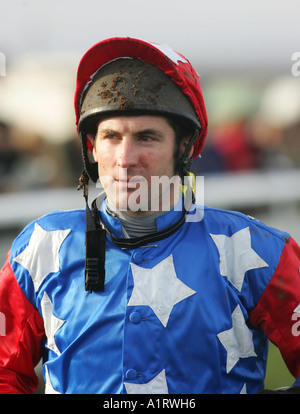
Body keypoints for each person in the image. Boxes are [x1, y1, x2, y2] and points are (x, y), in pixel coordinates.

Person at [0, 37, 299, 395]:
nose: (126, 159)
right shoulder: (39, 247)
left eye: (146, 137)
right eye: (111, 137)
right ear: (92, 148)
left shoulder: (255, 249)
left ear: (184, 146)